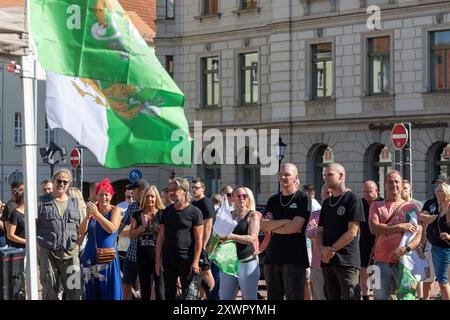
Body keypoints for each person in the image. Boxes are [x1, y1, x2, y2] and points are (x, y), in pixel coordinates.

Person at [369, 170, 422, 300]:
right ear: (385, 185)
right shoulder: (376, 205)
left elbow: (418, 234)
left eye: (397, 181)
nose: (394, 184)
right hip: (379, 261)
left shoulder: (411, 207)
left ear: (401, 183)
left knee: (407, 297)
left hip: (405, 262)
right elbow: (374, 228)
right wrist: (399, 227)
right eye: (390, 182)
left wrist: (405, 249)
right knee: (379, 297)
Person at [260, 163, 310, 300]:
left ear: (296, 177)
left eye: (287, 174)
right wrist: (285, 221)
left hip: (294, 258)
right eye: (281, 174)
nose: (283, 177)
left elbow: (295, 228)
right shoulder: (273, 200)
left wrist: (273, 225)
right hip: (272, 258)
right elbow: (263, 226)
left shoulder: (303, 199)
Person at [317, 163, 365, 300]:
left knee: (351, 296)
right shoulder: (327, 203)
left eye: (330, 174)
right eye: (325, 175)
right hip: (327, 261)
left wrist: (331, 250)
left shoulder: (353, 199)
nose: (326, 178)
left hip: (346, 260)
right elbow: (320, 230)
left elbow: (352, 232)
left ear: (341, 176)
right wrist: (322, 249)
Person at [37, 169, 83, 300]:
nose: (62, 184)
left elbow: (82, 228)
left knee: (74, 291)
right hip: (48, 253)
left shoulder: (75, 203)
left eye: (65, 182)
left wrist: (78, 245)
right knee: (49, 290)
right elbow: (32, 227)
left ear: (69, 184)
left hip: (70, 255)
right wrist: (40, 249)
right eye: (59, 181)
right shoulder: (40, 201)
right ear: (53, 181)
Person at [155, 177, 204, 300]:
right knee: (169, 294)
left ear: (184, 191)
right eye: (170, 190)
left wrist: (196, 261)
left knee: (188, 296)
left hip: (187, 260)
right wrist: (158, 260)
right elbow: (161, 237)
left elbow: (199, 239)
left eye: (175, 189)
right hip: (168, 260)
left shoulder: (195, 212)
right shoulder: (166, 212)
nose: (171, 192)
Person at [78, 178, 122, 300]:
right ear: (96, 195)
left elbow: (111, 228)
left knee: (108, 290)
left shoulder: (115, 209)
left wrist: (97, 215)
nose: (104, 198)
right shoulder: (93, 210)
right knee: (92, 290)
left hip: (107, 257)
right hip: (91, 256)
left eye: (106, 195)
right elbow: (81, 232)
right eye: (101, 194)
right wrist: (87, 217)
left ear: (111, 196)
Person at [218, 186, 261, 300]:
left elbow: (252, 237)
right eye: (239, 196)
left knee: (249, 298)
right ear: (232, 198)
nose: (242, 198)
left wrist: (231, 236)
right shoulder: (228, 214)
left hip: (246, 261)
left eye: (245, 196)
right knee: (225, 298)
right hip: (228, 262)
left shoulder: (252, 215)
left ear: (248, 199)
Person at [129, 185, 165, 300]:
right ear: (144, 198)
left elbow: (166, 235)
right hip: (142, 257)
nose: (150, 199)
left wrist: (156, 227)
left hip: (158, 257)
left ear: (156, 198)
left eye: (152, 197)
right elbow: (131, 235)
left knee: (160, 289)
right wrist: (143, 226)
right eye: (148, 196)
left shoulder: (162, 213)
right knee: (145, 290)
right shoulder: (137, 214)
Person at [119, 179, 149, 300]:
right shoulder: (132, 206)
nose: (131, 193)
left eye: (133, 190)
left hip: (148, 254)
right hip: (131, 253)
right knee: (126, 283)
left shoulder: (153, 205)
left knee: (147, 285)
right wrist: (111, 236)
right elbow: (121, 225)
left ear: (141, 191)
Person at [424, 183, 450, 300]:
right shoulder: (441, 208)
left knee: (443, 282)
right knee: (441, 281)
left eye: (440, 191)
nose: (437, 193)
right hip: (436, 249)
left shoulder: (449, 209)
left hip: (445, 251)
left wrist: (449, 236)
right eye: (436, 190)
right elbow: (430, 221)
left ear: (447, 193)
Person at [191, 178, 216, 297]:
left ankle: (213, 296)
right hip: (195, 244)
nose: (193, 190)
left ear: (203, 189)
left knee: (206, 272)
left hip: (203, 245)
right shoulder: (194, 203)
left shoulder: (206, 202)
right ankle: (202, 298)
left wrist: (204, 246)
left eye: (196, 188)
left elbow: (208, 226)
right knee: (199, 273)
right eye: (192, 188)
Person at [306, 184, 331, 300]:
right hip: (318, 265)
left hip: (338, 264)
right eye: (326, 193)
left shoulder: (343, 214)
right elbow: (309, 233)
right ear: (321, 195)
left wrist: (320, 230)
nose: (329, 195)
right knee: (319, 296)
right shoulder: (315, 214)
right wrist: (330, 228)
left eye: (331, 192)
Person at [359, 180, 383, 300]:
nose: (366, 194)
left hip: (380, 242)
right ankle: (365, 296)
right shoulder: (360, 203)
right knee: (364, 271)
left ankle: (377, 295)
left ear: (376, 191)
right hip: (363, 242)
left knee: (376, 271)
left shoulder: (382, 203)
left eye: (369, 191)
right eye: (364, 192)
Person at [117, 189, 133, 272]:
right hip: (122, 248)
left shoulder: (138, 206)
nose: (130, 198)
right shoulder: (119, 206)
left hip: (134, 248)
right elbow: (117, 228)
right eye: (128, 196)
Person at [1, 181, 20, 247]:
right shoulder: (10, 205)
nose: (15, 193)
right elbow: (6, 228)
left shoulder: (20, 204)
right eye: (13, 191)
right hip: (13, 243)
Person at [7, 181, 25, 248]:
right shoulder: (15, 213)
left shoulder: (28, 213)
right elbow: (10, 235)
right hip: (19, 250)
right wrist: (26, 241)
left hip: (29, 249)